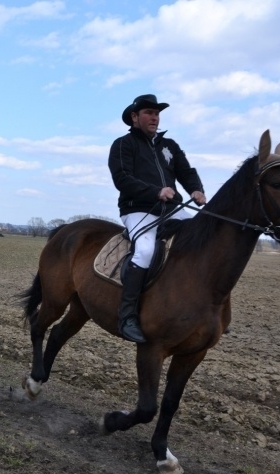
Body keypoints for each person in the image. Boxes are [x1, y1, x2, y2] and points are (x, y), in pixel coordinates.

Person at [108, 94, 207, 343]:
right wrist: (155, 191)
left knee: (200, 243)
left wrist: (196, 189)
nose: (154, 117)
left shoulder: (169, 145)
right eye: (149, 113)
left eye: (157, 113)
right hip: (138, 209)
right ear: (134, 117)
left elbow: (186, 172)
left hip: (171, 209)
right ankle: (127, 316)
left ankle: (202, 308)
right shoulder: (123, 145)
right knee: (144, 250)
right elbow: (122, 179)